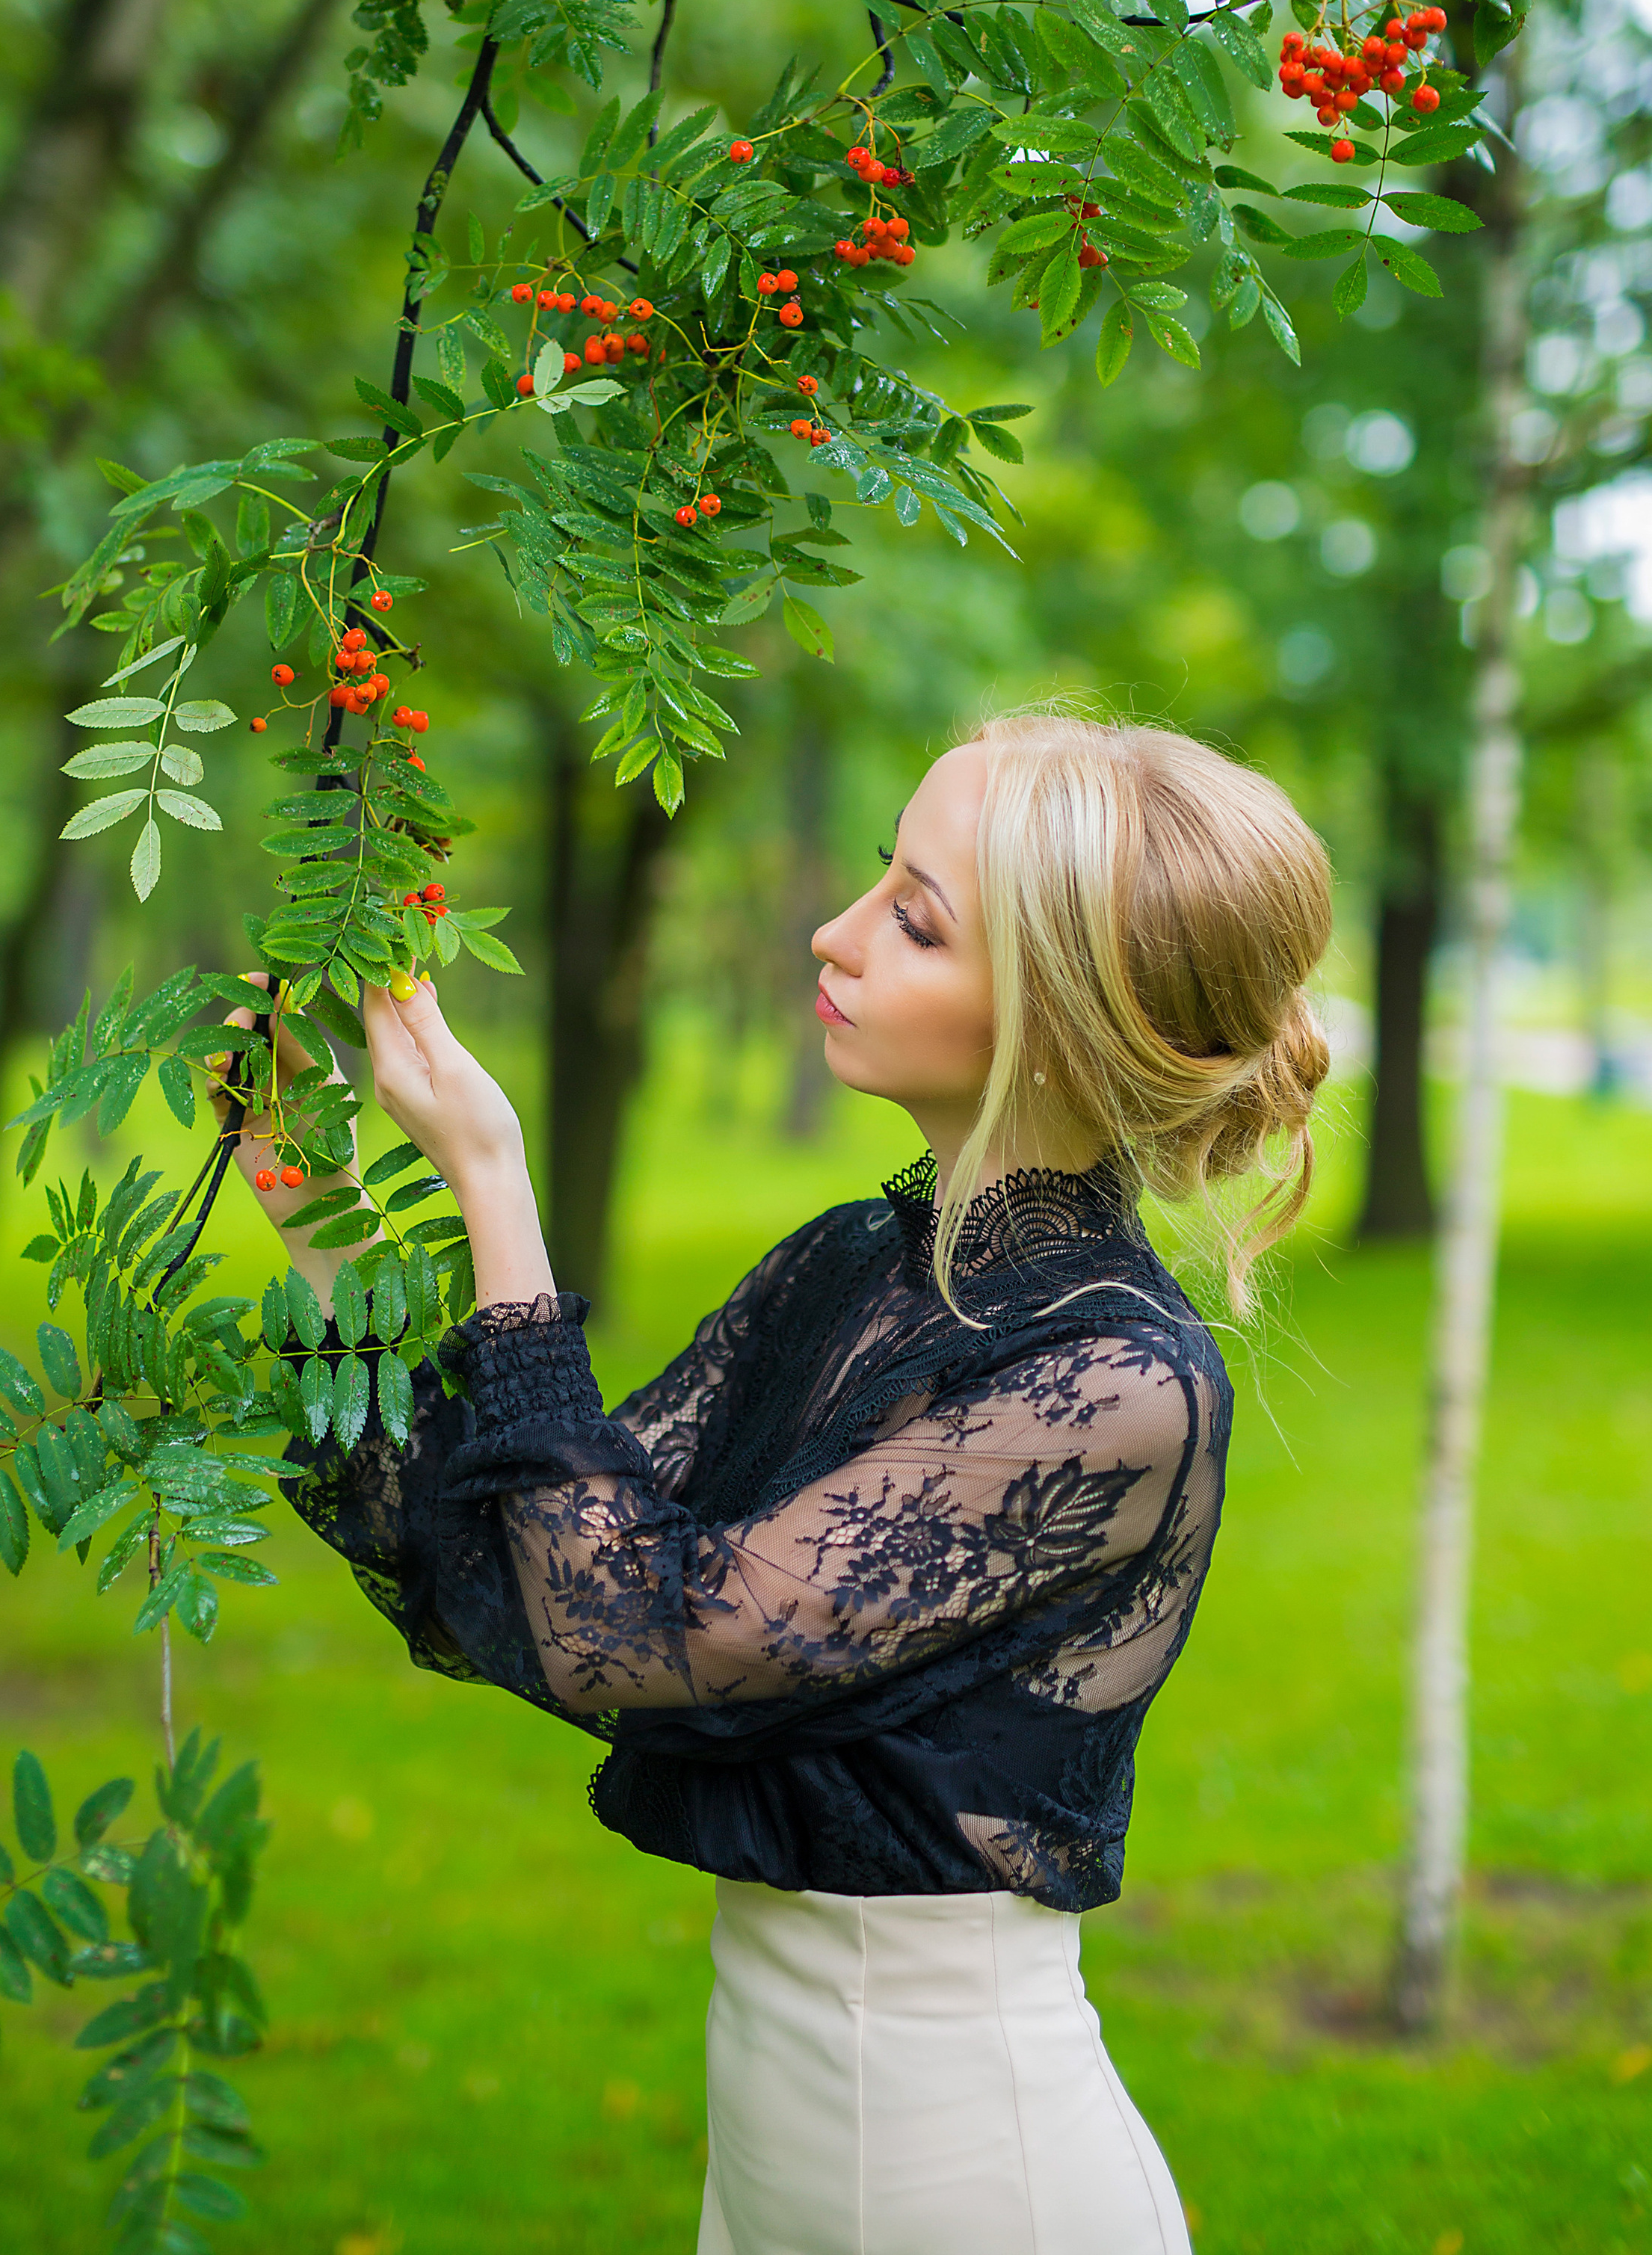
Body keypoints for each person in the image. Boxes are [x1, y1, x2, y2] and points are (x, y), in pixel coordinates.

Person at [224, 711, 1332, 2255]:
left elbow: (633, 1629)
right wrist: (321, 1209)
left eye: (916, 917)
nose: (836, 927)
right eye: (882, 871)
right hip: (779, 2153)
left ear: (1062, 1019)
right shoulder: (848, 1265)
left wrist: (491, 1183)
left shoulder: (1116, 1386)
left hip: (966, 2173)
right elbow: (528, 1568)